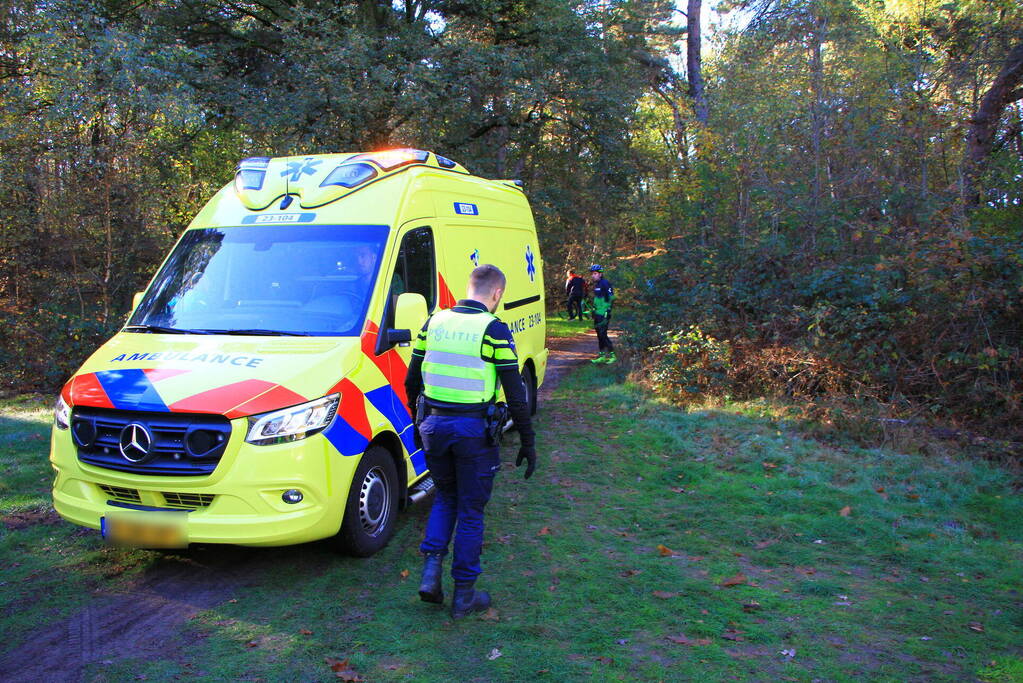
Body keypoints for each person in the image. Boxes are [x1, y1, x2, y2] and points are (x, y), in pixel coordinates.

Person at [405, 264, 537, 619]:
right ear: (496, 294)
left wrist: (419, 421)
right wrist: (527, 440)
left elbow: (410, 380)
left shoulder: (434, 323)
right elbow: (515, 392)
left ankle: (431, 575)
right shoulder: (492, 329)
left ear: (469, 287)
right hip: (472, 433)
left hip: (433, 426)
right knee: (471, 511)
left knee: (445, 497)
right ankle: (464, 595)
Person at [589, 264, 616, 364]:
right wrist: (593, 310)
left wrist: (607, 311)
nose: (593, 275)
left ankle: (613, 355)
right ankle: (602, 356)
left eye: (595, 273)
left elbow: (611, 298)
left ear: (600, 274)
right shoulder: (597, 284)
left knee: (603, 334)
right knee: (599, 335)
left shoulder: (605, 283)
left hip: (604, 314)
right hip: (597, 313)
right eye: (592, 274)